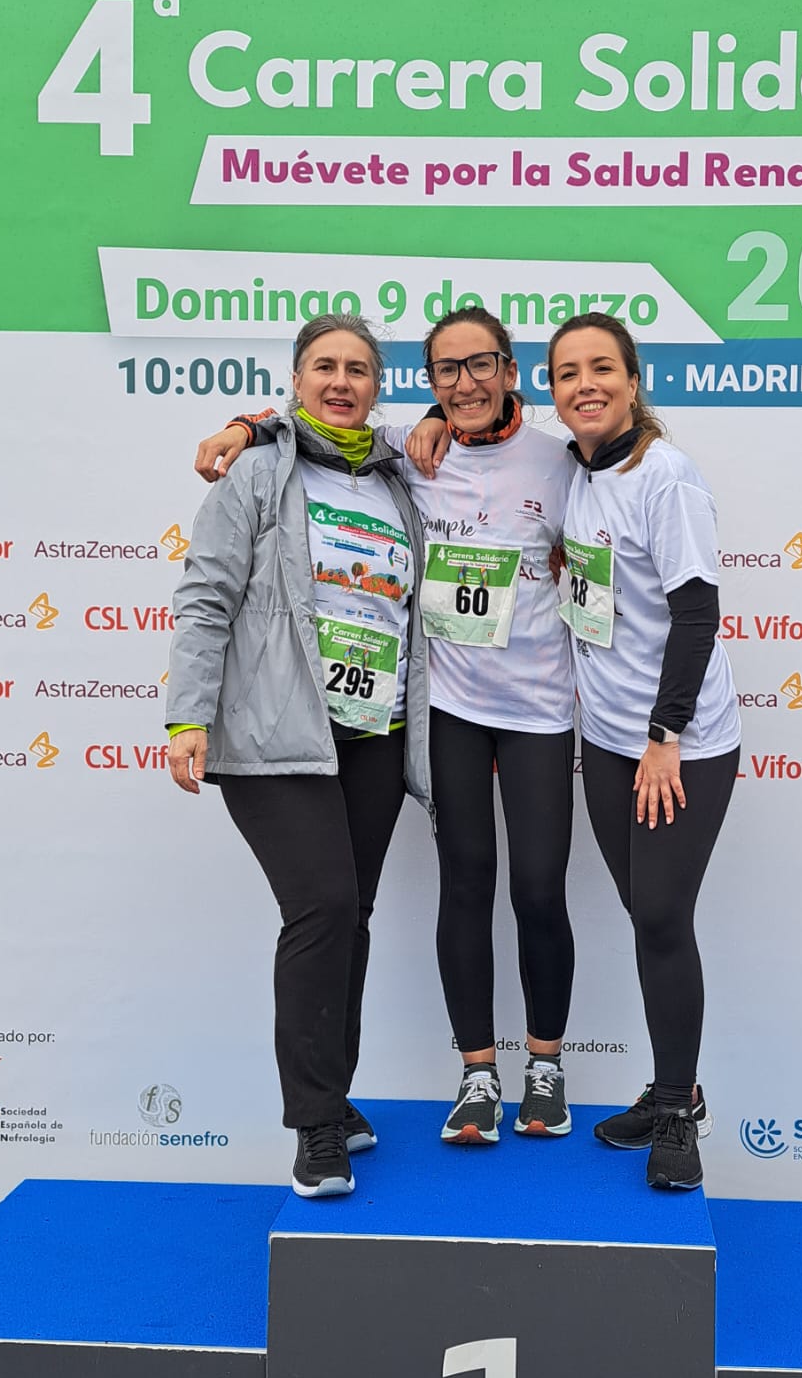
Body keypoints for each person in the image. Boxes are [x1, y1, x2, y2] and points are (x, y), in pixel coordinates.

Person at [194, 308, 579, 1148]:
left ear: (511, 371)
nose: (465, 383)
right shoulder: (386, 455)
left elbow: (600, 546)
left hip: (504, 713)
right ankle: (456, 1080)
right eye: (446, 371)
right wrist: (245, 425)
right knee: (417, 893)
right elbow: (216, 578)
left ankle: (537, 1068)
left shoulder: (524, 462)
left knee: (523, 892)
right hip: (419, 716)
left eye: (481, 365)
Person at [166, 313, 430, 1200]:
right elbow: (206, 596)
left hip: (375, 736)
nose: (341, 381)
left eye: (359, 369)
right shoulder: (256, 472)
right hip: (275, 734)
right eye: (325, 366)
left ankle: (335, 1096)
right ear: (296, 379)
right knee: (320, 908)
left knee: (351, 917)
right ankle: (313, 1125)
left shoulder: (394, 478)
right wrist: (187, 715)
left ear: (377, 387)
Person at [543, 311, 740, 1191]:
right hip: (608, 737)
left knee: (661, 918)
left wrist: (666, 736)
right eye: (567, 373)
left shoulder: (665, 476)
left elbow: (697, 614)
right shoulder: (577, 473)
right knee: (645, 915)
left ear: (632, 380)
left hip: (677, 744)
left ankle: (678, 1115)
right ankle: (672, 1089)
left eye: (601, 368)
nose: (584, 385)